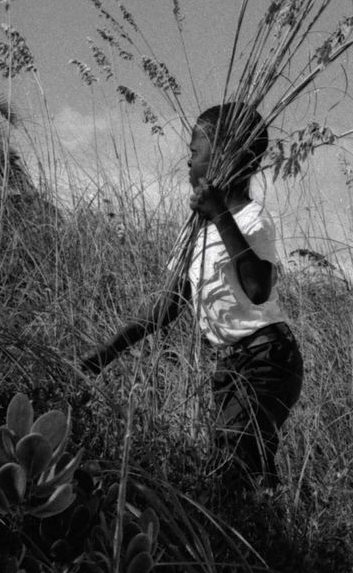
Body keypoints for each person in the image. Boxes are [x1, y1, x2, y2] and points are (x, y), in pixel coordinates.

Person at [82, 102, 303, 490]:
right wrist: (106, 353)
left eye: (193, 153)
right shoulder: (194, 231)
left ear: (225, 159)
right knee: (246, 466)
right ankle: (268, 540)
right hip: (233, 364)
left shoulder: (253, 219)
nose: (187, 163)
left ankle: (251, 539)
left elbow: (257, 289)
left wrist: (220, 214)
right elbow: (165, 308)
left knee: (234, 458)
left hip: (269, 360)